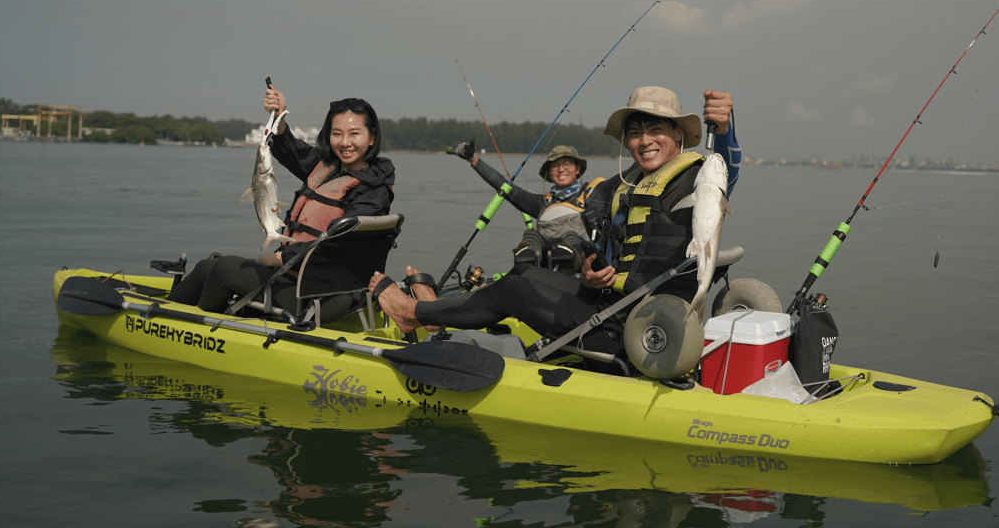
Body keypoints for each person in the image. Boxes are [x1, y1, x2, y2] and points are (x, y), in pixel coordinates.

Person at [369, 87, 738, 355]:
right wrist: (592, 276)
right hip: (612, 303)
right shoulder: (626, 189)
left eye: (656, 129)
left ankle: (412, 313)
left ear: (678, 134)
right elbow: (614, 255)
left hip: (645, 329)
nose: (644, 141)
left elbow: (726, 169)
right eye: (635, 132)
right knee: (520, 274)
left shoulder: (700, 177)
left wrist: (722, 129)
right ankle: (437, 317)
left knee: (512, 293)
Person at [168, 85, 395, 322]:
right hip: (295, 276)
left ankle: (194, 332)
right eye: (337, 133)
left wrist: (280, 258)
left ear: (372, 138)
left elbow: (339, 244)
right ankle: (162, 312)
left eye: (354, 134)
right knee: (207, 267)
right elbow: (291, 151)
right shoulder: (327, 167)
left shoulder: (373, 191)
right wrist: (279, 117)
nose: (344, 142)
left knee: (224, 269)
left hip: (325, 294)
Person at [450, 143, 603, 272]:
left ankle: (568, 260)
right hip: (545, 268)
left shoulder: (595, 193)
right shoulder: (542, 202)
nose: (561, 169)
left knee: (572, 237)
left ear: (577, 169)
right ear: (549, 173)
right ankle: (527, 269)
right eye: (555, 165)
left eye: (566, 164)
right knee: (531, 235)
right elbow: (503, 185)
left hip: (581, 269)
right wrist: (473, 158)